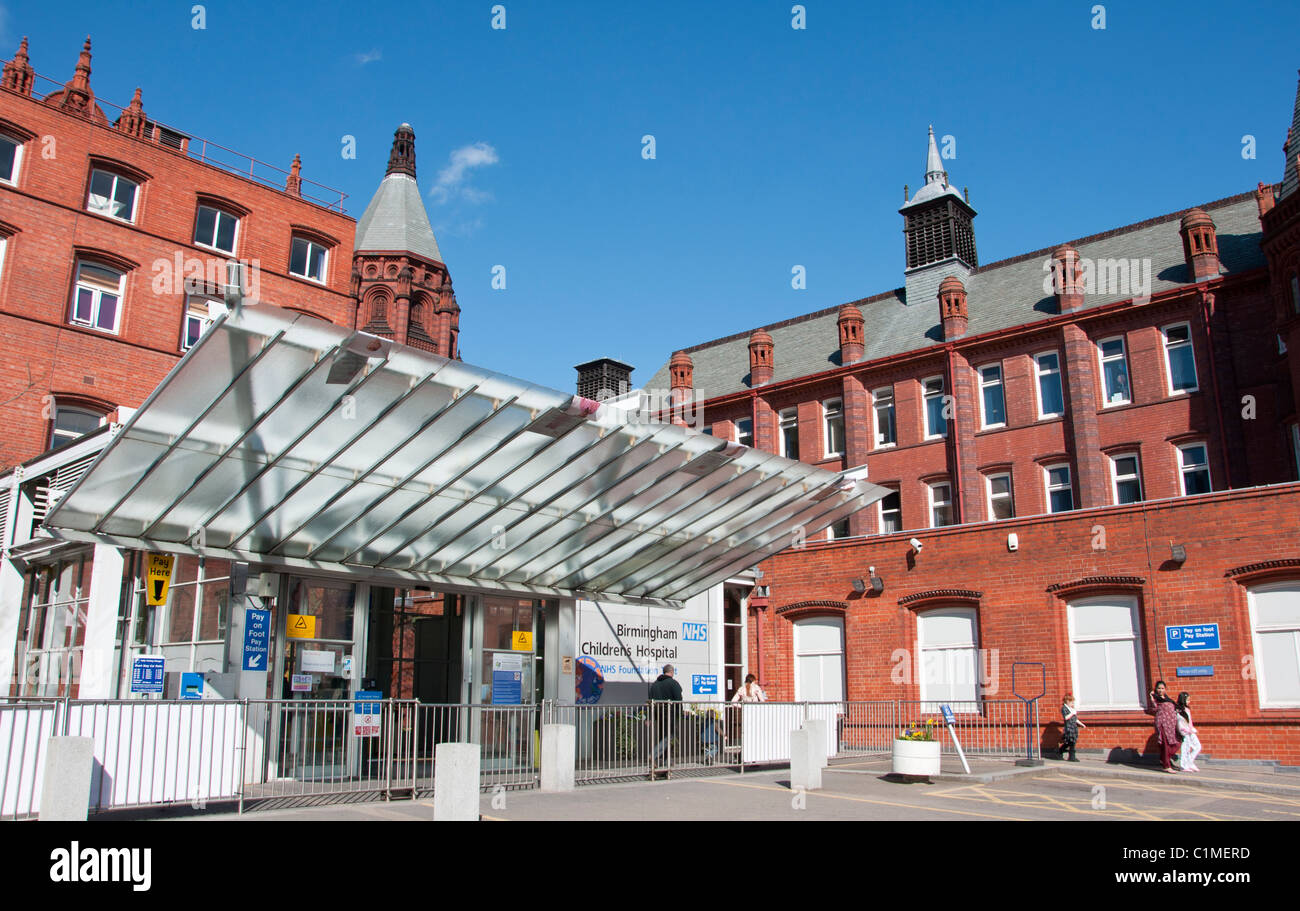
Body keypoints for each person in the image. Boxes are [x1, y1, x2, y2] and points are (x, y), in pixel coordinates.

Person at [648, 664, 683, 768]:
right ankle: (654, 755)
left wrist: (650, 717)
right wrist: (679, 714)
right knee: (670, 736)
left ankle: (666, 761)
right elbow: (678, 700)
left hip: (658, 714)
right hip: (670, 714)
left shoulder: (655, 684)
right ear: (672, 672)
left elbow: (651, 701)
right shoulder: (673, 683)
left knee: (663, 737)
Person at [1145, 680, 1182, 772]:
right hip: (1163, 724)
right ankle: (1166, 765)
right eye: (1159, 688)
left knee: (1176, 742)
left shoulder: (1167, 698)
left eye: (1162, 688)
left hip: (1171, 725)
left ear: (1165, 689)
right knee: (1165, 744)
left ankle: (1165, 759)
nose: (1160, 690)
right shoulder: (1156, 699)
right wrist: (1151, 697)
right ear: (1156, 689)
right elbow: (1153, 709)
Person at [1176, 692, 1202, 772]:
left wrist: (1192, 729)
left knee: (1198, 746)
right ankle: (1184, 765)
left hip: (1190, 731)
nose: (1189, 702)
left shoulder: (1187, 709)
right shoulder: (1179, 711)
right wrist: (1183, 731)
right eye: (1187, 700)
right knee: (1185, 749)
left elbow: (1189, 721)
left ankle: (1189, 762)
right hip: (1185, 732)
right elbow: (1180, 723)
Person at [1059, 693, 1085, 761]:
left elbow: (1075, 719)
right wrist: (1072, 713)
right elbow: (1066, 717)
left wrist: (1081, 724)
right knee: (1071, 742)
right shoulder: (1064, 708)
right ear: (1067, 701)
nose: (1073, 704)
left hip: (1074, 727)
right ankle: (1071, 757)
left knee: (1071, 742)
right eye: (1072, 702)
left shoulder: (1071, 709)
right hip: (1069, 727)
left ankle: (1061, 751)